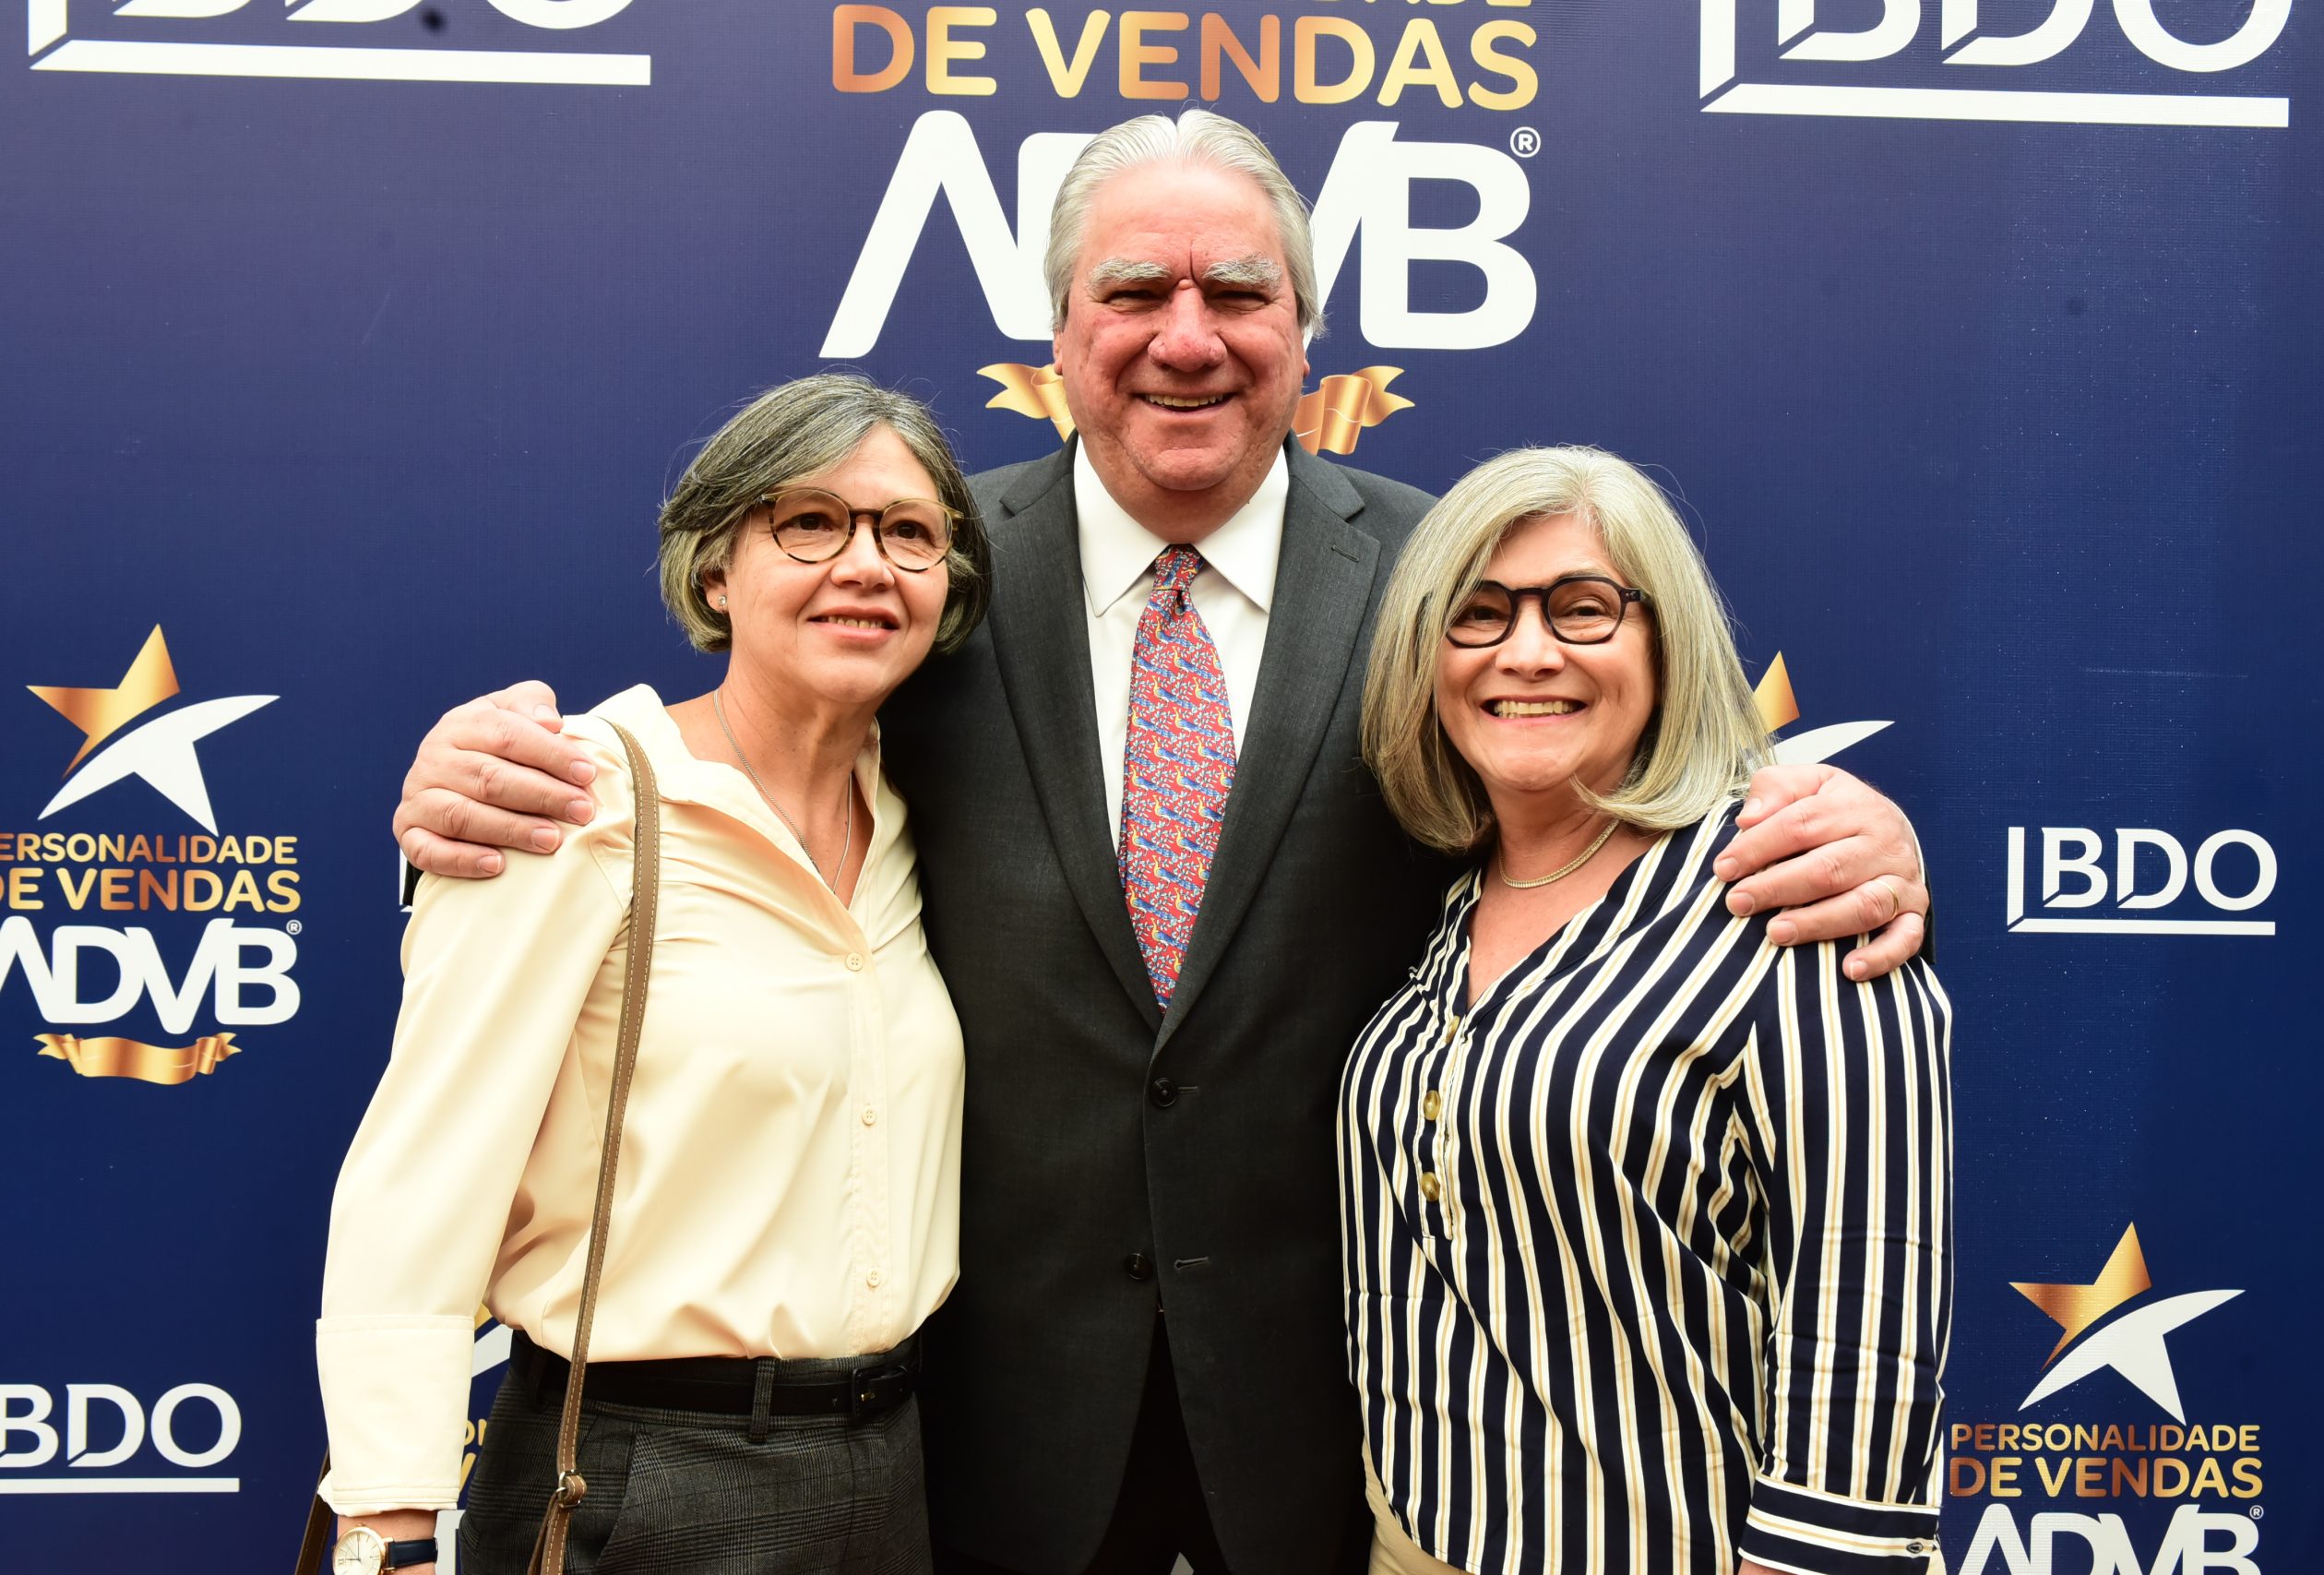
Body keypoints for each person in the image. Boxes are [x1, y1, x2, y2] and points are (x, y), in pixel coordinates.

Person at [388, 113, 1932, 1575]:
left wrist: (1850, 830)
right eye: (1133, 292)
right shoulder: (925, 576)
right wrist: (479, 801)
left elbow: (1619, 787)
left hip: (1350, 1442)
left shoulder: (1444, 580)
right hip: (983, 1447)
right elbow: (727, 776)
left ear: (1305, 332)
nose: (1186, 337)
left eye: (1237, 293)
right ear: (1060, 333)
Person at [317, 374, 987, 1574]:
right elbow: (421, 1182)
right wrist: (389, 1526)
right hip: (636, 1479)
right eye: (810, 522)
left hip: (889, 1470)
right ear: (715, 569)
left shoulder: (920, 814)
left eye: (908, 532)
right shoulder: (574, 799)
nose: (864, 564)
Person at [1343, 447, 1949, 1575]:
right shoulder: (1445, 900)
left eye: (1582, 608)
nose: (1528, 651)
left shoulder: (1792, 899)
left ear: (1664, 644)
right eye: (1477, 613)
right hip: (1410, 1544)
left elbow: (1868, 1306)